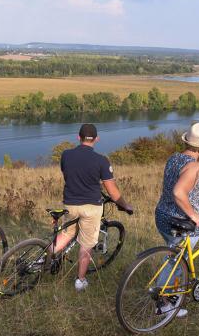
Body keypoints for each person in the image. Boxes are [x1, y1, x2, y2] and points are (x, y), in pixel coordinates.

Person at [54, 124, 133, 292]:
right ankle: (80, 280)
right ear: (96, 139)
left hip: (70, 203)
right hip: (91, 207)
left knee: (67, 234)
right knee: (86, 243)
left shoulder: (66, 155)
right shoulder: (101, 160)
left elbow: (67, 174)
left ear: (78, 137)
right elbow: (112, 191)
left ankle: (43, 258)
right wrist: (125, 205)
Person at [154, 123, 199, 318]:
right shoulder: (195, 165)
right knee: (176, 261)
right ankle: (163, 303)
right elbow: (178, 191)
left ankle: (172, 294)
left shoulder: (174, 158)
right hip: (181, 223)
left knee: (176, 257)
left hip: (163, 216)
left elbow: (180, 184)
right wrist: (194, 214)